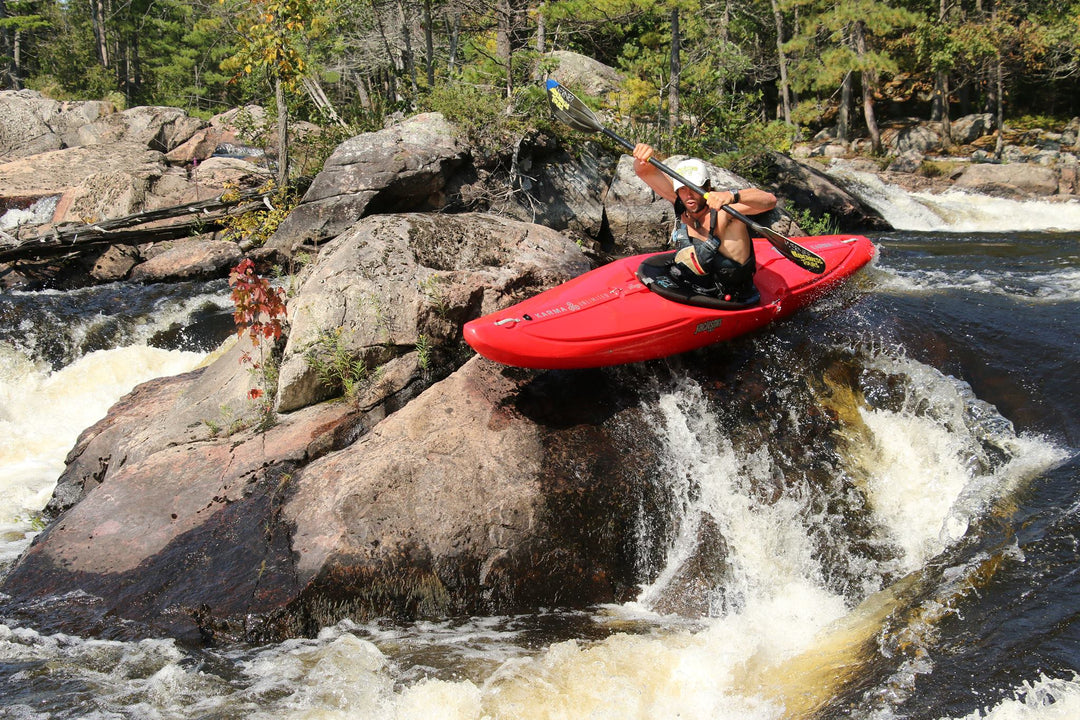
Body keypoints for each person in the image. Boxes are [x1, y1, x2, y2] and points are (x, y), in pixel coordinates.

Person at [632, 143, 777, 302]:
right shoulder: (681, 202)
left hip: (728, 298)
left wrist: (732, 195)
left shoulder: (725, 213)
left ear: (707, 187)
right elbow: (644, 171)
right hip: (691, 285)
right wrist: (642, 156)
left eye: (694, 188)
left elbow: (769, 201)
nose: (689, 195)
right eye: (683, 189)